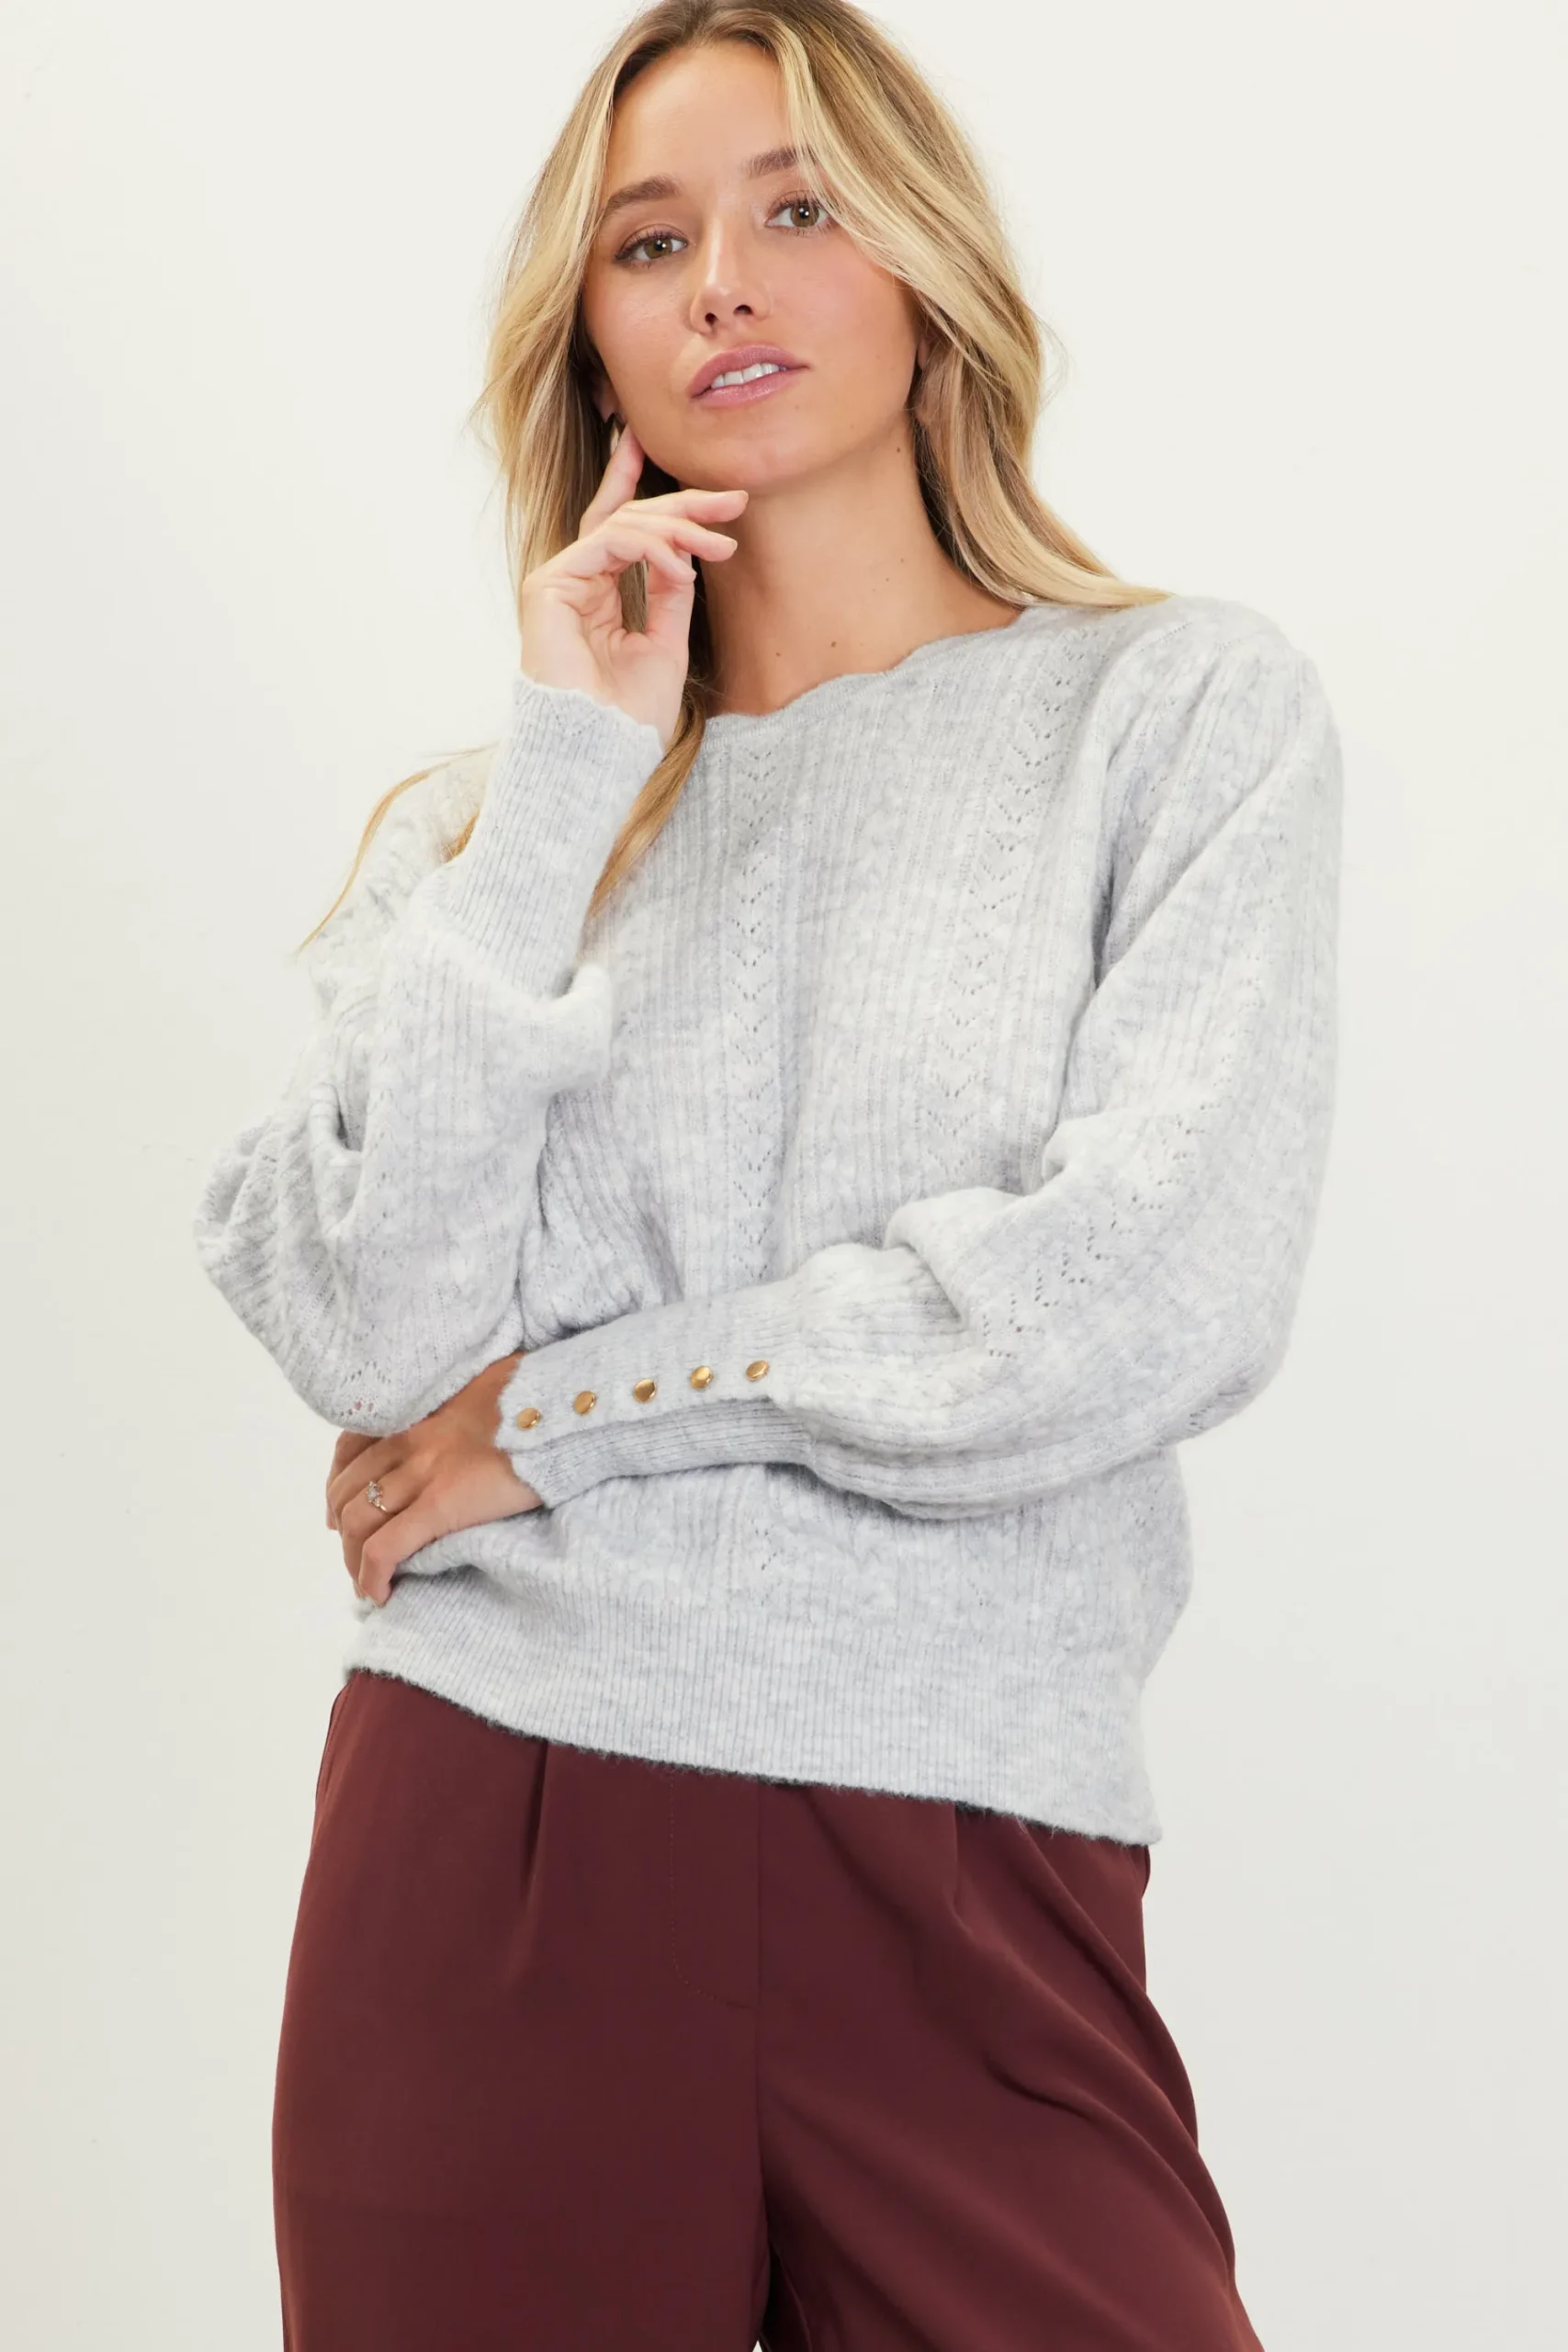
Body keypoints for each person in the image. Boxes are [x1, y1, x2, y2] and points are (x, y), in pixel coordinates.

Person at [191, 3, 1342, 2345]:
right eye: (647, 242)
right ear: (593, 342)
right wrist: (558, 787)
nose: (721, 279)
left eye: (796, 206)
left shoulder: (1174, 717)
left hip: (973, 1867)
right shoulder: (491, 830)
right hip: (500, 1837)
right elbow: (374, 1334)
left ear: (924, 265)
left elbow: (1144, 1293)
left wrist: (573, 1411)